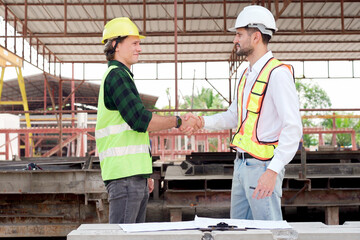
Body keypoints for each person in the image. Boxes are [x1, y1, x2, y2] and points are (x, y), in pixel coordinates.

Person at [184, 5, 303, 220]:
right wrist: (201, 122)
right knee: (239, 230)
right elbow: (233, 116)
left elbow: (293, 128)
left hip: (263, 167)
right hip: (241, 164)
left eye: (239, 34)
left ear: (256, 36)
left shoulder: (278, 74)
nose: (235, 40)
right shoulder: (247, 74)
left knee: (268, 232)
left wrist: (273, 171)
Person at [95, 17, 197, 224]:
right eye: (134, 43)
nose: (139, 48)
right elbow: (141, 120)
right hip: (125, 178)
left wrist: (144, 174)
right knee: (122, 238)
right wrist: (178, 121)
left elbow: (135, 135)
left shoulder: (123, 76)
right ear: (115, 44)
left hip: (132, 176)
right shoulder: (117, 76)